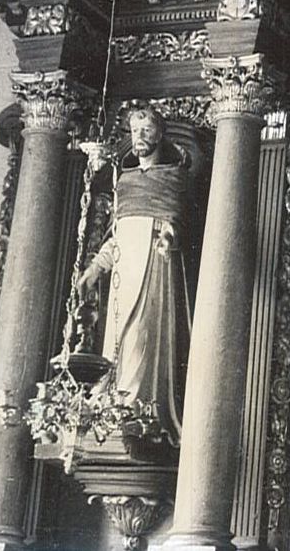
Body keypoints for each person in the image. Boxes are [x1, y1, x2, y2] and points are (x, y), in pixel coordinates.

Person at [79, 107, 192, 444]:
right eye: (134, 130)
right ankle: (112, 409)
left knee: (141, 337)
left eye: (146, 130)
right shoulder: (124, 182)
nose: (139, 137)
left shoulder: (174, 178)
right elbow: (117, 237)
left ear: (160, 134)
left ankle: (136, 410)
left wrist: (170, 237)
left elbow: (178, 224)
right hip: (122, 278)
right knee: (117, 339)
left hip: (155, 270)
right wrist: (95, 268)